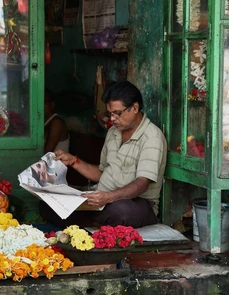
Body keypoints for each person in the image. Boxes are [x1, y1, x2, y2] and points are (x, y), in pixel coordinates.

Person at [42, 80, 167, 229]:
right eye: (110, 113)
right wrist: (73, 161)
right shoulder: (114, 132)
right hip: (104, 199)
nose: (112, 119)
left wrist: (109, 197)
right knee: (47, 206)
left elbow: (142, 183)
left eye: (117, 113)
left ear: (135, 107)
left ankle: (91, 222)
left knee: (119, 213)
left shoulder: (152, 137)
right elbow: (102, 173)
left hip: (138, 203)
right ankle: (95, 222)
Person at [44, 89, 70, 153]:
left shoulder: (57, 122)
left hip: (57, 162)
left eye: (44, 102)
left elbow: (47, 151)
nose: (40, 105)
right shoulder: (44, 121)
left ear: (52, 104)